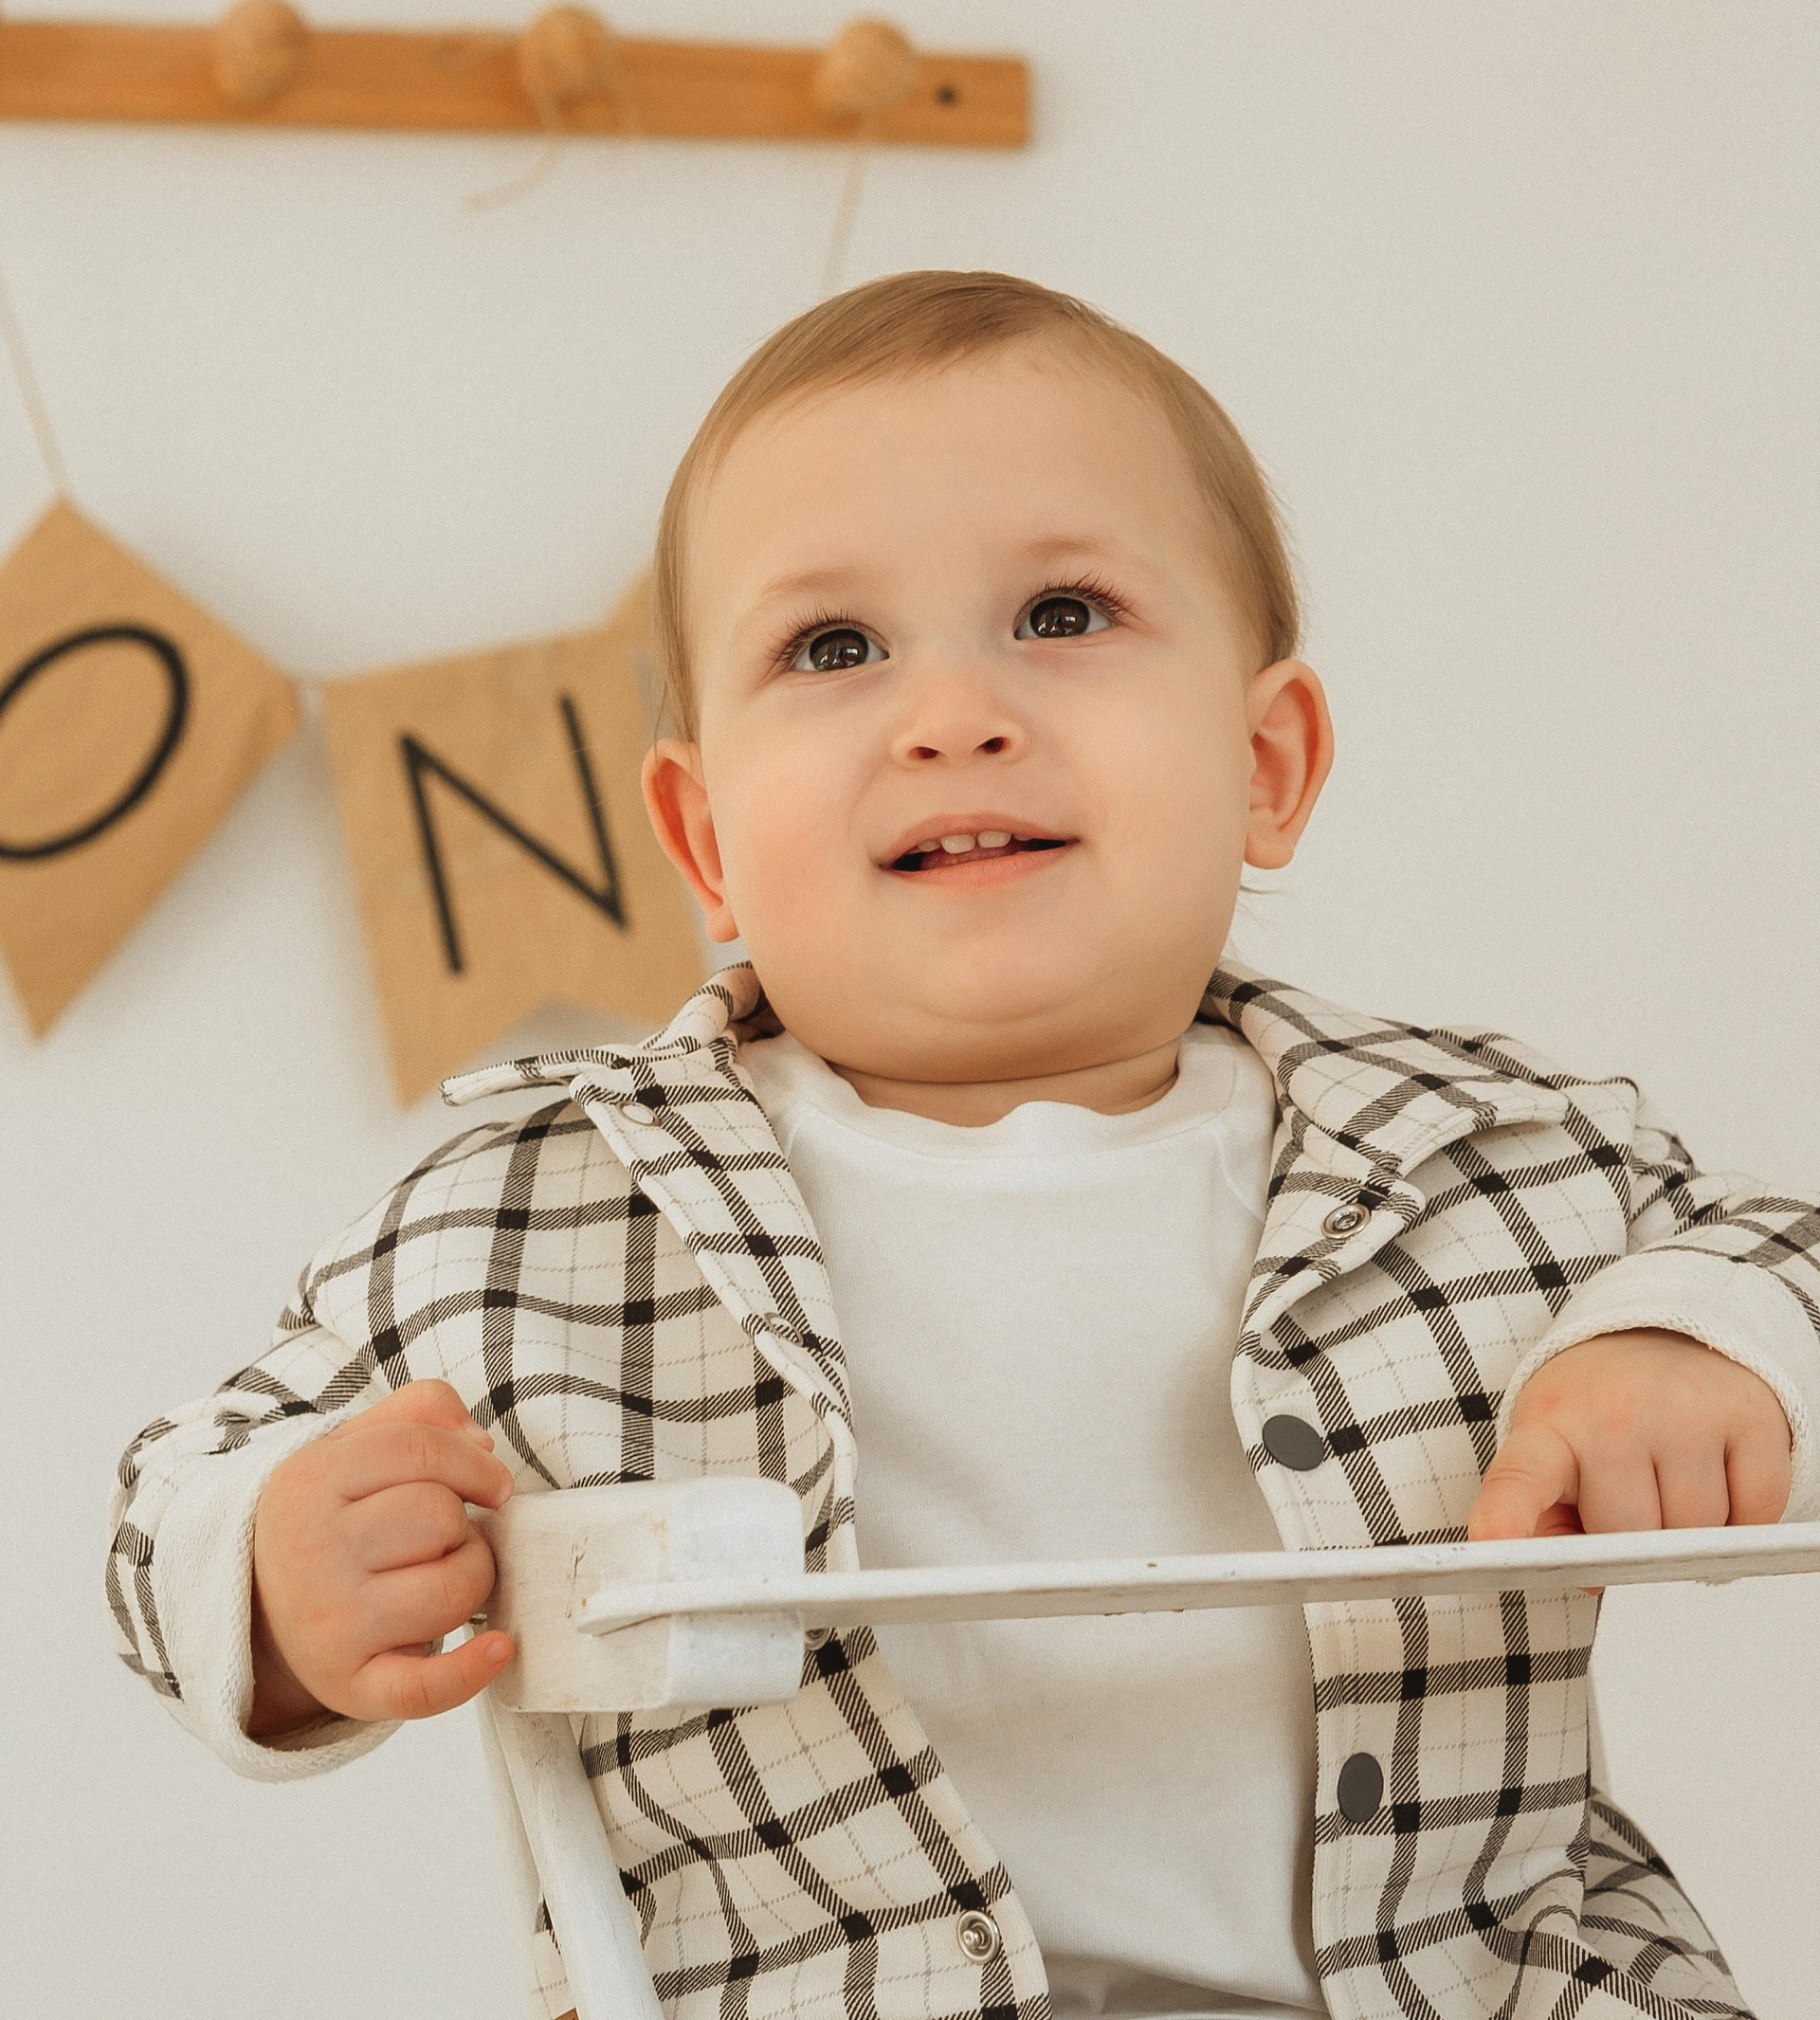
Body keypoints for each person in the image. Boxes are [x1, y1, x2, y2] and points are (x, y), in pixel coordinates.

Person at [110, 270, 1820, 2020]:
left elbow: (1784, 1254)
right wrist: (278, 1572)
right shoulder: (536, 1222)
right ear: (705, 840)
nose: (949, 714)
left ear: (1266, 764)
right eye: (832, 648)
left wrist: (1695, 1341)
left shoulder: (1482, 1161)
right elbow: (176, 1496)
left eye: (1062, 613)